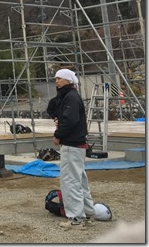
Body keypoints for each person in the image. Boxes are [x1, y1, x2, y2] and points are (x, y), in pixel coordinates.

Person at [51, 68, 95, 230]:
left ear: (68, 80)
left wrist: (58, 134)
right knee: (80, 179)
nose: (56, 81)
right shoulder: (72, 96)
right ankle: (88, 212)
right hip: (77, 143)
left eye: (59, 79)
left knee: (70, 181)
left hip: (71, 144)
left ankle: (76, 217)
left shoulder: (70, 97)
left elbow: (70, 120)